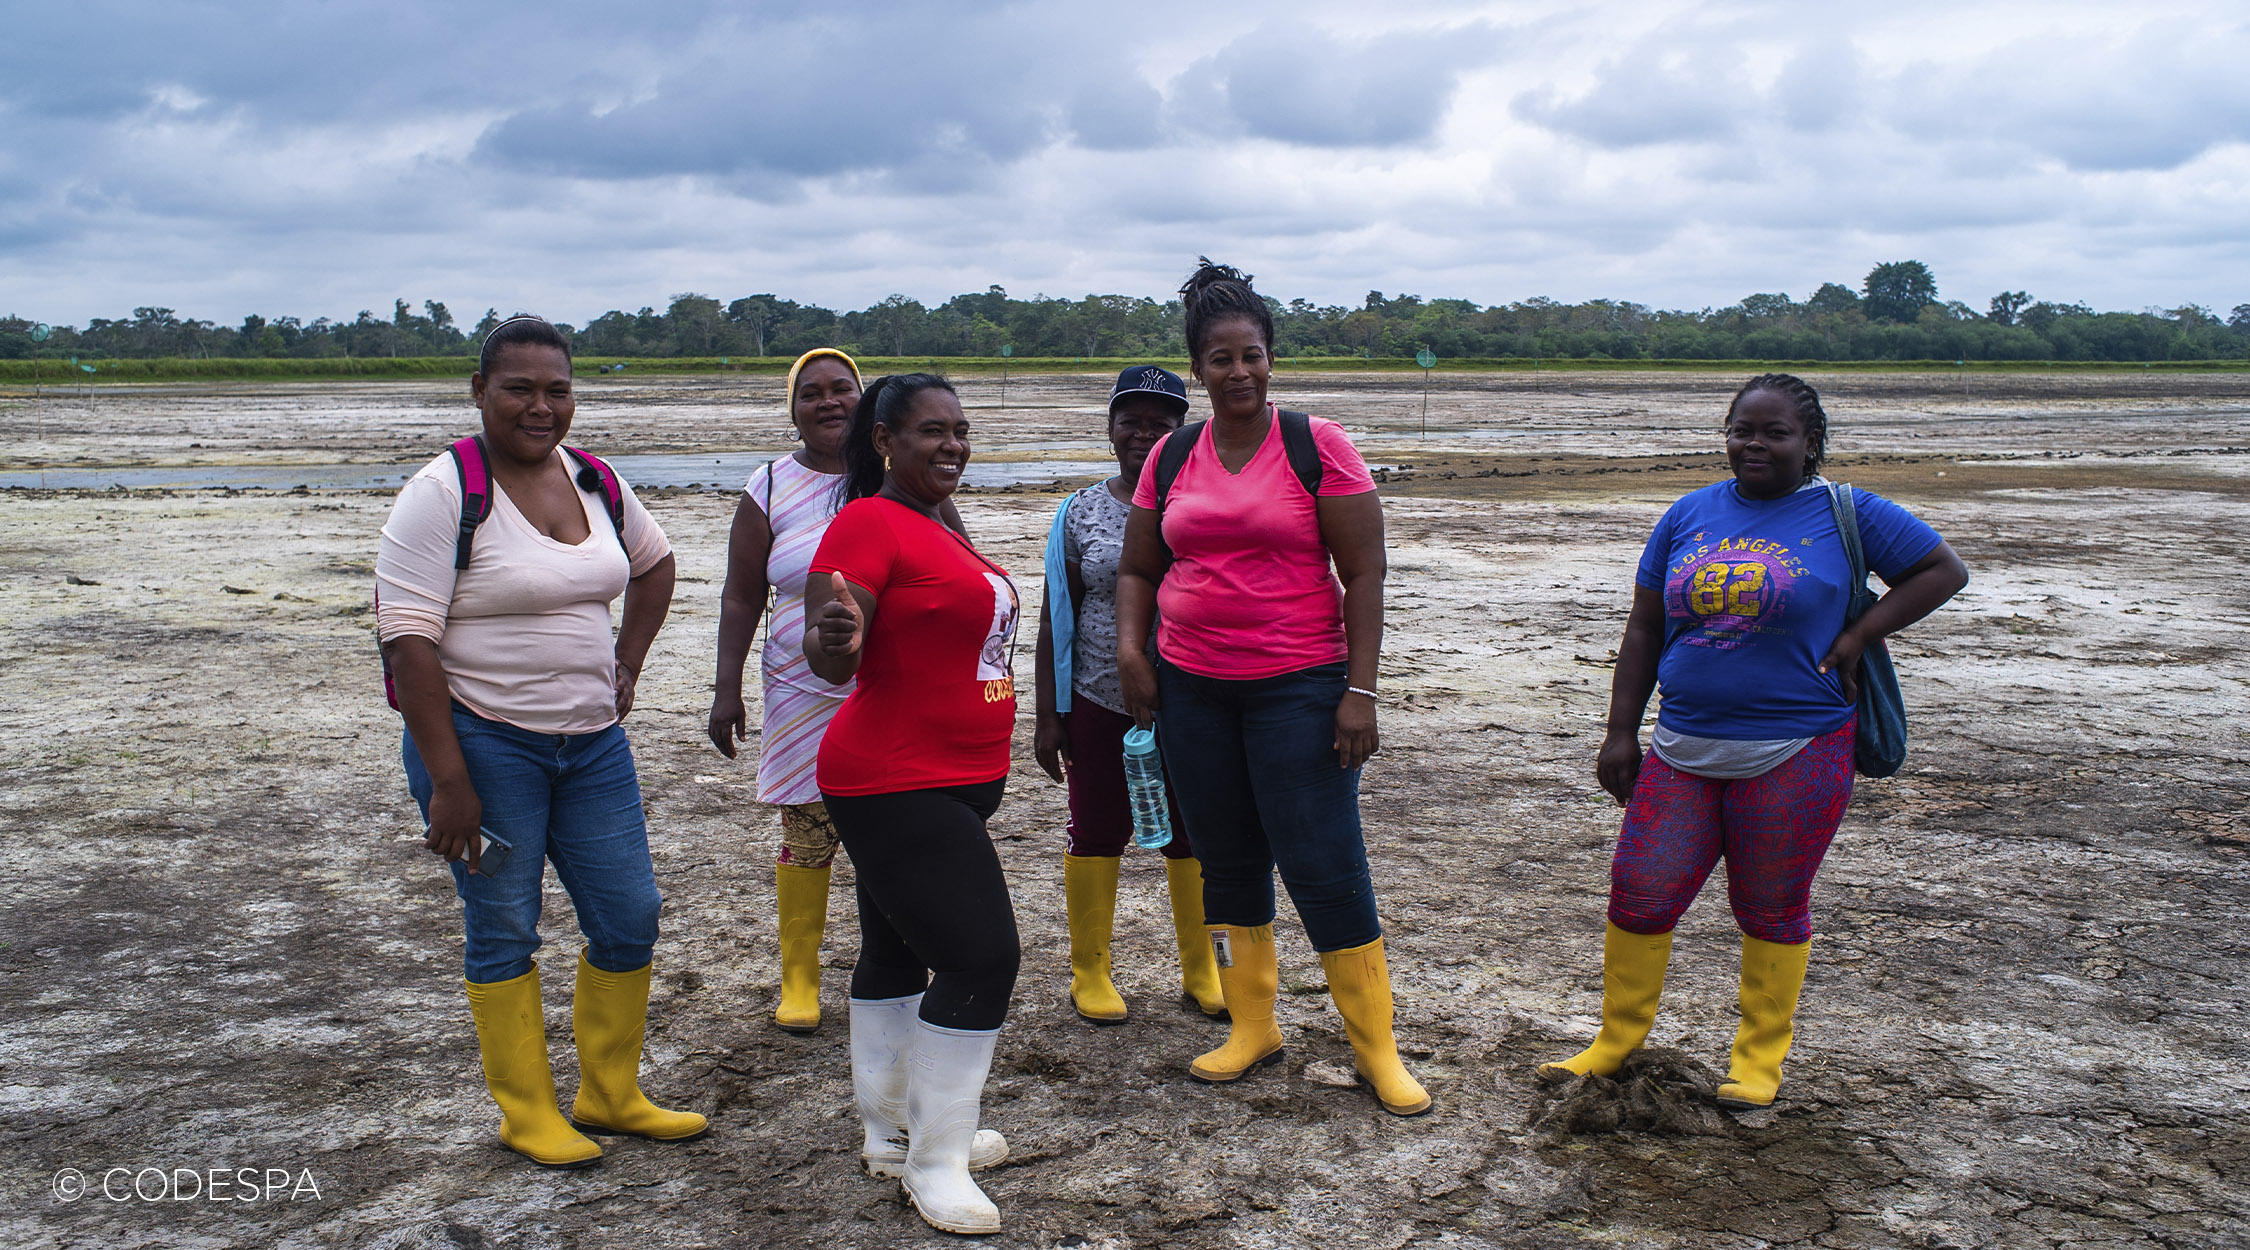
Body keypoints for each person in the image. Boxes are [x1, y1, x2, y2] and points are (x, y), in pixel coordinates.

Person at [1539, 372, 1969, 1109]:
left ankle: (1758, 1059)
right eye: (1744, 430)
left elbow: (1942, 570)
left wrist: (1863, 633)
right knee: (1640, 894)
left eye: (1775, 433)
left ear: (1810, 444)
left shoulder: (1847, 512)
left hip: (1799, 748)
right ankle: (1614, 1043)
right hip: (1681, 747)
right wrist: (1620, 731)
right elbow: (1645, 627)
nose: (1755, 445)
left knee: (1771, 903)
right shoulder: (1688, 514)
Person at [376, 316, 705, 1170]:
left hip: (592, 747)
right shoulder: (443, 493)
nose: (540, 405)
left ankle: (611, 1094)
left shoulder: (594, 479)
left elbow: (655, 563)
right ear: (478, 391)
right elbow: (407, 643)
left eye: (556, 389)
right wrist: (449, 782)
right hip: (483, 745)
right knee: (504, 928)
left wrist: (626, 661)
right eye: (518, 387)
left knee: (631, 916)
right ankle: (527, 1112)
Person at [1115, 260, 1429, 1118]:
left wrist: (1359, 690)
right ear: (1199, 370)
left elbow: (1364, 572)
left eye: (1251, 354)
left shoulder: (1316, 444)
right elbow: (1141, 567)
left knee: (1324, 862)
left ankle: (1377, 1049)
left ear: (1271, 358)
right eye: (1220, 359)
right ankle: (1252, 1026)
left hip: (1298, 686)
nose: (1239, 372)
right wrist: (1135, 655)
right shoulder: (1174, 455)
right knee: (1228, 861)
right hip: (1192, 690)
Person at [802, 373, 1020, 1235]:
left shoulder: (939, 523)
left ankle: (892, 1134)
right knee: (981, 960)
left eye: (961, 431)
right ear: (885, 440)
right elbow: (833, 629)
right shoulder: (866, 519)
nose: (953, 446)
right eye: (933, 432)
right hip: (895, 780)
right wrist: (833, 635)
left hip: (949, 782)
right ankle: (937, 1164)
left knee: (895, 951)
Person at [706, 349, 969, 1034]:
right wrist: (725, 688)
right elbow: (740, 596)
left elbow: (963, 572)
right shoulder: (768, 485)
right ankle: (799, 976)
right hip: (802, 688)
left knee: (894, 834)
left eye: (842, 391)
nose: (828, 403)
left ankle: (895, 961)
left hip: (892, 689)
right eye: (811, 393)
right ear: (792, 408)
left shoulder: (902, 481)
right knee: (808, 828)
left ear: (871, 411)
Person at [1033, 366, 1225, 1025]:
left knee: (1195, 836)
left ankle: (1203, 972)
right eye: (1131, 421)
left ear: (1184, 432)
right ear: (1111, 428)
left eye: (1161, 424)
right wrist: (1050, 715)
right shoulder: (1079, 510)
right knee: (1096, 831)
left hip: (1193, 700)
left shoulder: (1202, 504)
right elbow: (1058, 613)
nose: (1144, 434)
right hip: (1097, 696)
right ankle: (1091, 972)